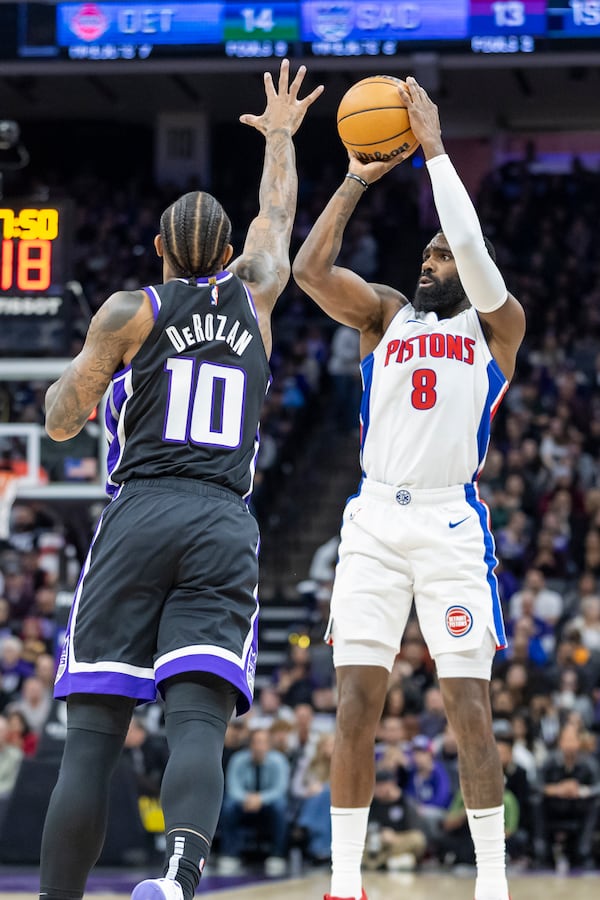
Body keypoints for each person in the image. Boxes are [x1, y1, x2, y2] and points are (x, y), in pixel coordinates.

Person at [37, 59, 322, 900]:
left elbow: (61, 418)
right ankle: (178, 876)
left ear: (158, 250)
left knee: (92, 735)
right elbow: (279, 214)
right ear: (230, 256)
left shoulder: (130, 312)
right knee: (199, 718)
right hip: (222, 519)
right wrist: (278, 136)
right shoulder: (257, 296)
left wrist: (82, 365)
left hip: (141, 511)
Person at [293, 76, 526, 900]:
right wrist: (357, 178)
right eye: (423, 255)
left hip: (450, 524)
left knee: (469, 710)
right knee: (355, 703)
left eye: (443, 256)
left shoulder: (497, 328)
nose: (430, 264)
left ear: (466, 267)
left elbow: (468, 243)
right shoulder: (384, 316)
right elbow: (308, 268)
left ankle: (491, 882)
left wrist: (432, 149)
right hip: (372, 525)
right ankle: (344, 882)